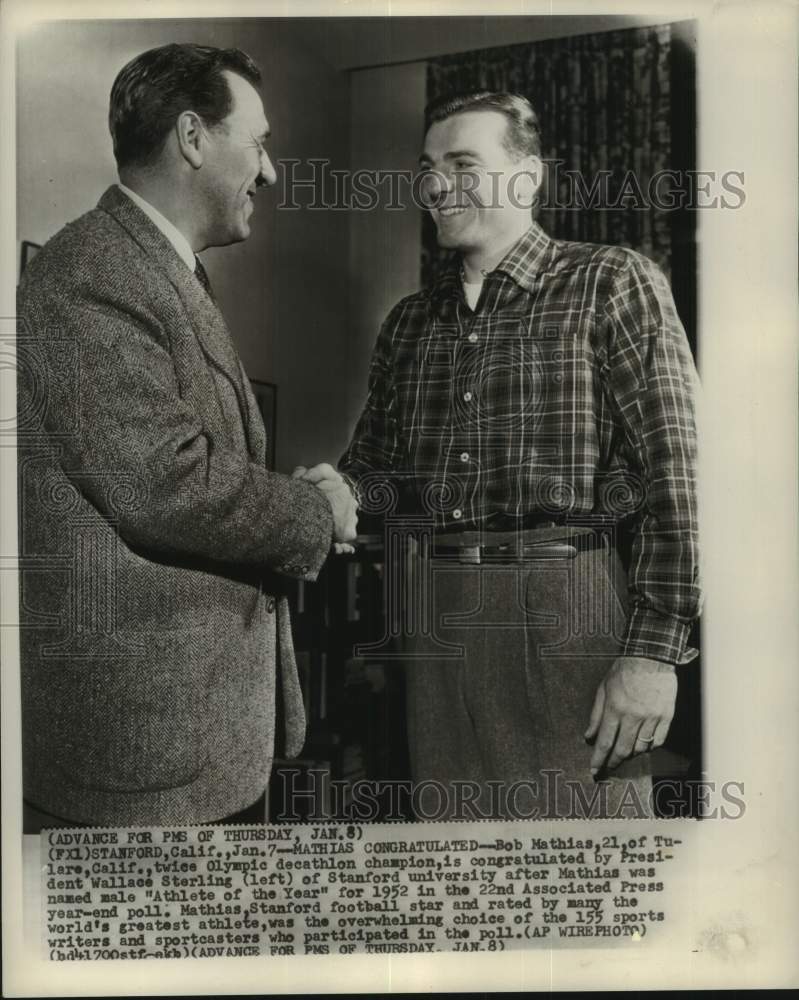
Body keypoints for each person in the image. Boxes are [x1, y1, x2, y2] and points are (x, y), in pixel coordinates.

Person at [17, 43, 357, 829]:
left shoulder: (152, 272)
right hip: (136, 763)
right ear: (194, 137)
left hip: (191, 748)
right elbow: (164, 485)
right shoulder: (91, 272)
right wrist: (315, 511)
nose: (268, 174)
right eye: (259, 142)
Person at [339, 92, 701, 820]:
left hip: (571, 608)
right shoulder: (409, 322)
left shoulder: (611, 281)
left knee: (593, 872)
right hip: (435, 619)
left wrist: (654, 653)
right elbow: (371, 475)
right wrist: (324, 494)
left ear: (527, 176)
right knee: (457, 870)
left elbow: (678, 475)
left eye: (463, 164)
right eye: (428, 168)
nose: (438, 186)